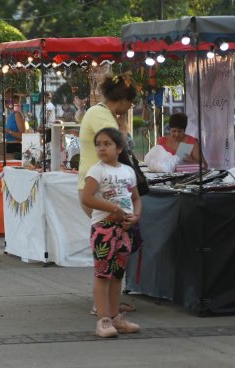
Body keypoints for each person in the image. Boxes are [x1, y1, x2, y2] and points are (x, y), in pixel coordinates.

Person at [81, 127, 142, 338]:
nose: (101, 148)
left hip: (124, 228)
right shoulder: (96, 171)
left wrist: (135, 216)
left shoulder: (127, 171)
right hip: (104, 228)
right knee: (102, 273)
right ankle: (103, 319)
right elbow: (87, 197)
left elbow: (135, 198)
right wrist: (112, 209)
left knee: (117, 274)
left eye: (107, 144)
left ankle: (116, 317)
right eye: (98, 144)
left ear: (119, 148)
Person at [78, 73, 137, 215]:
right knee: (107, 233)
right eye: (131, 102)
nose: (130, 107)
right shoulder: (99, 113)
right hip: (99, 188)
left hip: (104, 186)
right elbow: (115, 148)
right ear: (123, 100)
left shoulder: (104, 114)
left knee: (110, 234)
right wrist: (123, 130)